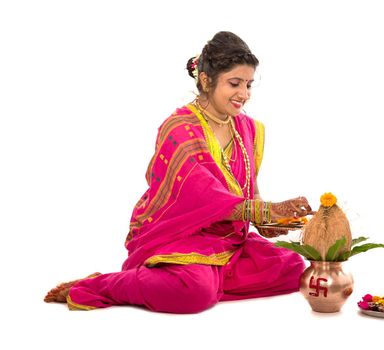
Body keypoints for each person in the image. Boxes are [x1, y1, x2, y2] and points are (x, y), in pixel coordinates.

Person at [44, 31, 313, 314]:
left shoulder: (247, 128)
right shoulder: (180, 129)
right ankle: (106, 284)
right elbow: (202, 197)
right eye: (235, 83)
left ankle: (199, 277)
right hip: (181, 235)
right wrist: (264, 211)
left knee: (294, 266)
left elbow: (251, 190)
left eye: (248, 85)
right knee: (196, 292)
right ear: (207, 80)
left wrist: (268, 221)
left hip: (229, 239)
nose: (244, 94)